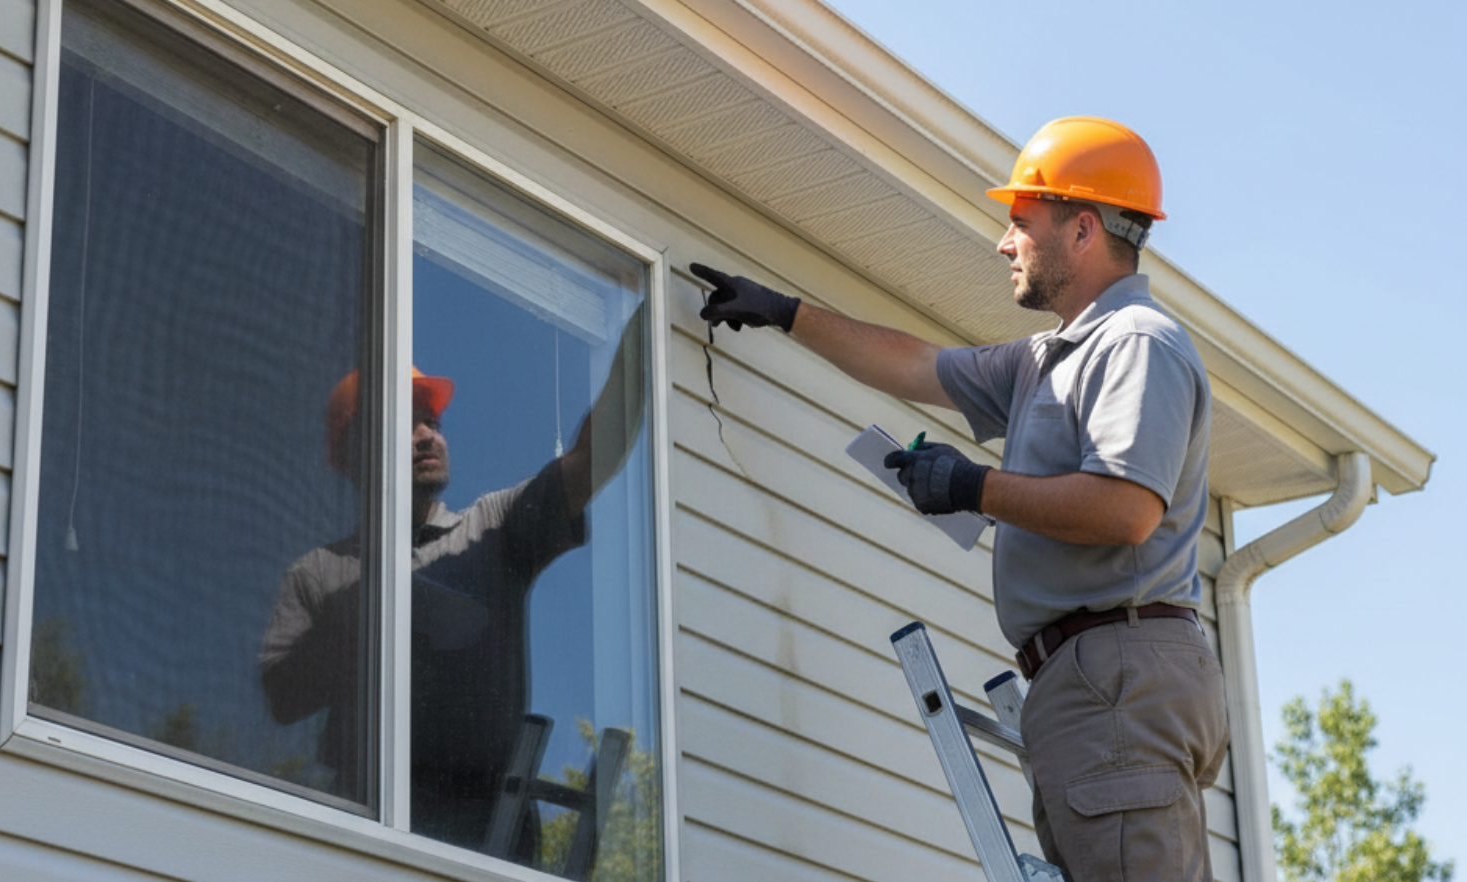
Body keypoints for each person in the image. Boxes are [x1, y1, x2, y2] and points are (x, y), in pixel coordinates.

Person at [691, 117, 1229, 882]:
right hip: (1091, 680)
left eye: (1020, 222)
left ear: (1082, 229)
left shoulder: (1135, 343)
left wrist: (971, 485)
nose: (1004, 244)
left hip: (1116, 672)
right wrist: (785, 312)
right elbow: (916, 366)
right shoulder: (1047, 360)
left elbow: (1124, 509)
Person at [259, 317, 644, 864]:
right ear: (353, 451)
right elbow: (281, 697)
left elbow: (592, 455)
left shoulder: (490, 528)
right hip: (363, 832)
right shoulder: (319, 574)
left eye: (432, 422)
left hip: (491, 837)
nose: (427, 435)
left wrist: (642, 342)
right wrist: (369, 614)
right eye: (406, 422)